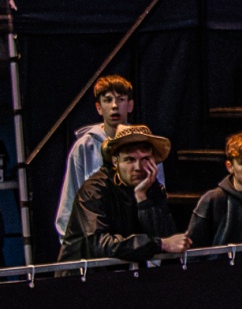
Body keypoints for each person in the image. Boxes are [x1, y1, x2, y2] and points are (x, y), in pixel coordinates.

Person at [58, 124, 188, 263]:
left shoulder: (150, 187)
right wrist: (159, 244)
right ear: (115, 161)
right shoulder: (94, 190)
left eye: (145, 159)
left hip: (128, 272)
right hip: (85, 273)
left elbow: (167, 236)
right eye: (130, 159)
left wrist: (142, 199)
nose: (138, 167)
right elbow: (100, 244)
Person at [54, 74, 161, 238]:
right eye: (108, 100)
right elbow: (70, 198)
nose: (114, 106)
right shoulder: (85, 147)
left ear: (130, 105)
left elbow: (158, 192)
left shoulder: (145, 144)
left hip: (137, 232)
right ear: (99, 107)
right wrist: (70, 241)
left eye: (120, 99)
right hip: (98, 235)